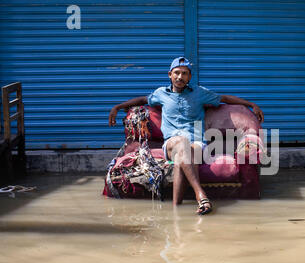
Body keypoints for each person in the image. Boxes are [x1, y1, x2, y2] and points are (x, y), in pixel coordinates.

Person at [109, 57, 264, 215]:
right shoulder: (160, 94)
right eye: (176, 73)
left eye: (184, 73)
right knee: (181, 143)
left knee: (181, 160)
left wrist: (251, 105)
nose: (180, 77)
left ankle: (177, 213)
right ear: (170, 74)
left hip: (197, 143)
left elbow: (224, 98)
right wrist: (118, 107)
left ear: (190, 77)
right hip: (171, 143)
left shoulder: (200, 93)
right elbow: (143, 99)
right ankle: (201, 195)